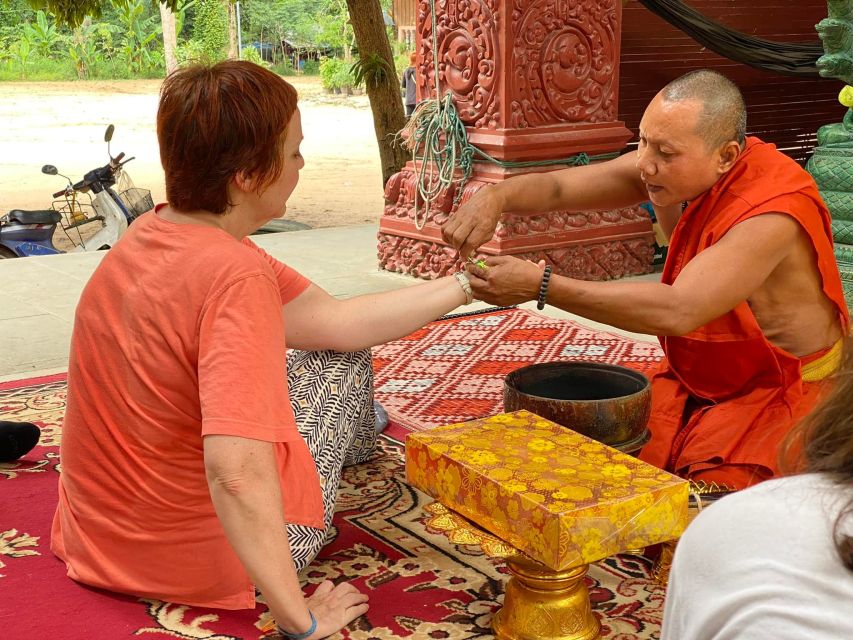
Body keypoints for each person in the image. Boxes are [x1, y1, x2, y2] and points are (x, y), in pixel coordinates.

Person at [51, 61, 475, 640]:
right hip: (207, 565)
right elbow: (235, 472)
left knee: (328, 345)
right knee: (334, 363)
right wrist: (299, 619)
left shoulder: (151, 234)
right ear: (250, 174)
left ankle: (355, 434)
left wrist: (467, 286)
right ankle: (348, 454)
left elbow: (336, 319)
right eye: (295, 152)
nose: (302, 166)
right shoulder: (236, 275)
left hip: (98, 544)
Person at [441, 69, 850, 490]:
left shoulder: (770, 212)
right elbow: (560, 190)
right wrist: (494, 197)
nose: (645, 163)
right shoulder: (676, 168)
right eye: (643, 141)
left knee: (709, 498)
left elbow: (679, 310)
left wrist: (542, 286)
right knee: (601, 457)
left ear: (726, 156)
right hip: (706, 374)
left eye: (665, 153)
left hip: (783, 387)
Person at [660, 338, 853, 639]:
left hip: (783, 381)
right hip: (726, 370)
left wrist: (557, 290)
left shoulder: (734, 524)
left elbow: (681, 311)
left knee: (713, 490)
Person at [401, 52, 417, 117]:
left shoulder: (406, 71)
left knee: (410, 122)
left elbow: (403, 85)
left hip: (409, 101)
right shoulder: (419, 71)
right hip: (417, 101)